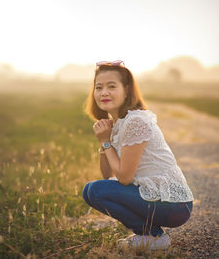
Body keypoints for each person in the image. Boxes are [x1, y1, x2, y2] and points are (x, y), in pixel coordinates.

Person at [82, 60, 194, 251]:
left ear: (126, 90)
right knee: (91, 191)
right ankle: (150, 234)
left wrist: (105, 142)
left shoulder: (136, 122)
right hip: (154, 198)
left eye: (111, 86)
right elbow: (108, 176)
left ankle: (153, 236)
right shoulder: (118, 124)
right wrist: (105, 142)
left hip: (174, 204)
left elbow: (124, 178)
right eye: (98, 87)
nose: (104, 92)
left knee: (94, 190)